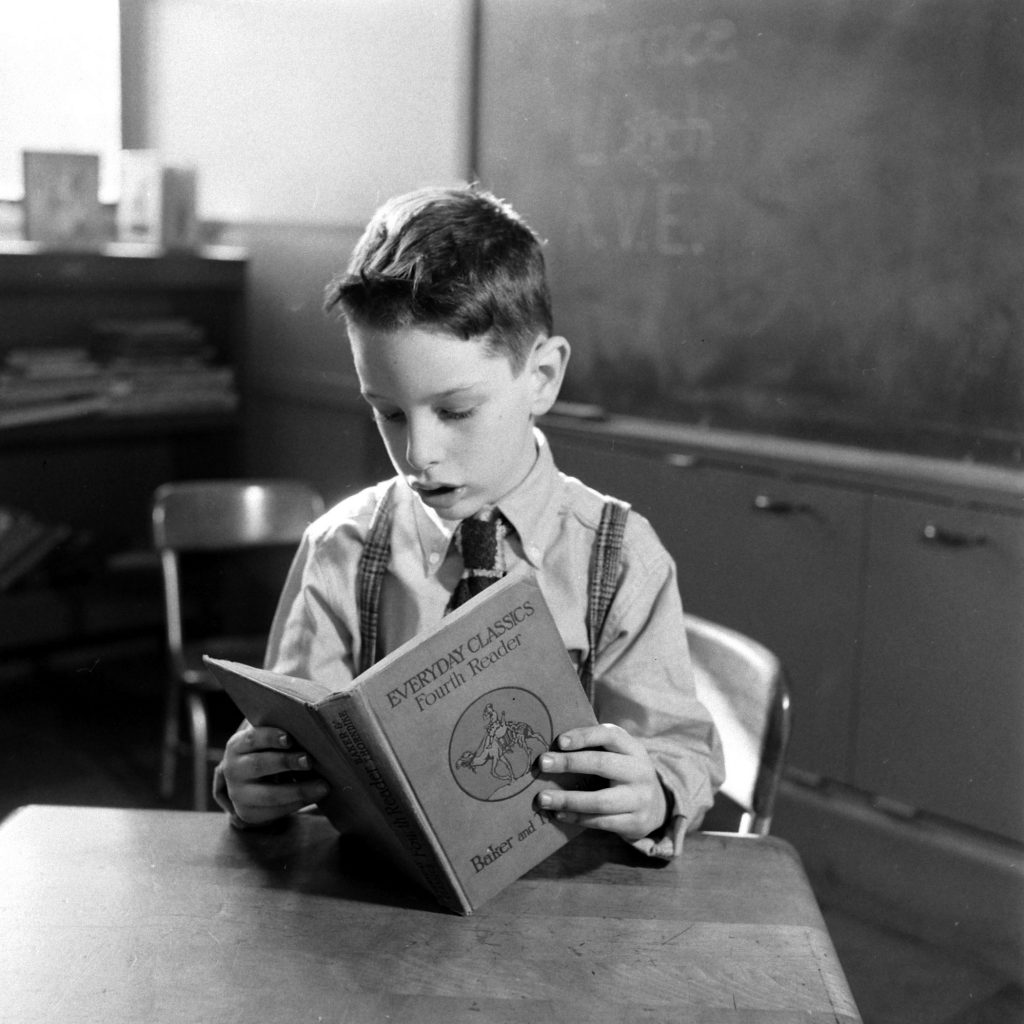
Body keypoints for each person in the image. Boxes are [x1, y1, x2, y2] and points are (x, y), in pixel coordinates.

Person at [213, 185, 723, 858]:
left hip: (568, 913)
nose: (418, 454)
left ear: (542, 375)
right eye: (388, 412)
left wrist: (653, 790)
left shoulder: (621, 557)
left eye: (455, 411)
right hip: (386, 912)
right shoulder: (341, 550)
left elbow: (679, 750)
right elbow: (289, 757)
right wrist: (252, 787)